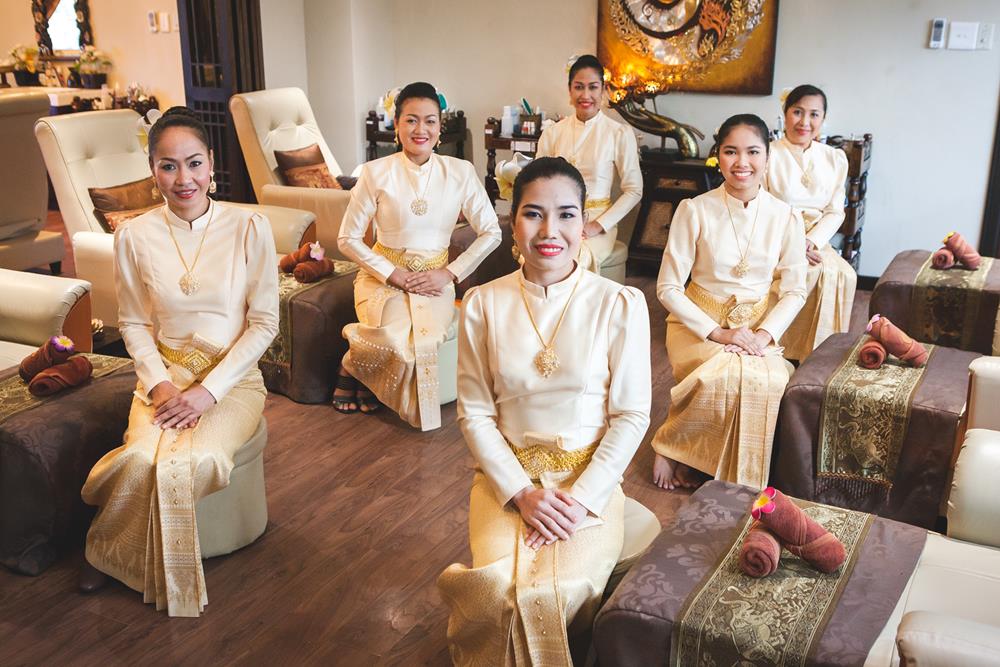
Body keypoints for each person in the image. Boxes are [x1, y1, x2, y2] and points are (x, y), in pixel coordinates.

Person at [438, 157, 651, 664]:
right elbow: (474, 413)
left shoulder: (618, 303)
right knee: (495, 591)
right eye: (533, 214)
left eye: (566, 215)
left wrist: (582, 498)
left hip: (587, 484)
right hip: (505, 482)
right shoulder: (482, 303)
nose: (549, 231)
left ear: (585, 222)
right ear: (513, 223)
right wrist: (521, 493)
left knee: (554, 593)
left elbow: (631, 415)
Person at [79, 107, 279, 617]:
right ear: (153, 171)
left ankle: (106, 548)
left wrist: (208, 392)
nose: (183, 179)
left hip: (233, 382)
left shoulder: (249, 226)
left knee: (200, 460)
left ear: (211, 163)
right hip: (164, 378)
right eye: (168, 166)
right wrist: (160, 386)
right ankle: (110, 549)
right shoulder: (133, 235)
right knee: (142, 457)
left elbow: (264, 324)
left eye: (193, 163)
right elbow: (132, 323)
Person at [650, 114, 807, 491]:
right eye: (731, 152)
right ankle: (672, 445)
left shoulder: (786, 216)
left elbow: (794, 290)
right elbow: (668, 287)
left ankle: (726, 473)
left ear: (767, 157)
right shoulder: (694, 209)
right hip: (697, 326)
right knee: (720, 374)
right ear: (717, 156)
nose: (742, 162)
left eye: (753, 152)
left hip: (754, 330)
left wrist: (764, 336)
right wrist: (718, 333)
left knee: (772, 379)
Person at [336, 81, 501, 430]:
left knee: (423, 343)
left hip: (434, 281)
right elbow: (347, 238)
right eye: (411, 120)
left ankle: (356, 369)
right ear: (396, 125)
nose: (420, 129)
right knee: (394, 339)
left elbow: (492, 232)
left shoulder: (460, 172)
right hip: (382, 278)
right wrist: (391, 274)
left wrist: (449, 273)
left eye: (429, 121)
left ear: (440, 128)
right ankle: (355, 367)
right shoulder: (375, 173)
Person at [766, 84, 854, 362]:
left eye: (814, 114)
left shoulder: (834, 158)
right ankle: (781, 351)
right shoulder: (767, 153)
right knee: (806, 273)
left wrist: (811, 241)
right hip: (776, 237)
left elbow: (835, 211)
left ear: (823, 119)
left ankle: (818, 357)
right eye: (797, 112)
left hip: (815, 239)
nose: (805, 122)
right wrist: (793, 243)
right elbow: (763, 206)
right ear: (785, 113)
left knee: (843, 275)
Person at [535, 54, 642, 274]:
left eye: (593, 87)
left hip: (597, 222)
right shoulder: (553, 132)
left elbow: (634, 190)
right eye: (578, 87)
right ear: (569, 91)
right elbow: (537, 183)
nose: (585, 95)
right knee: (536, 258)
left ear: (603, 90)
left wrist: (597, 226)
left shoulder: (618, 133)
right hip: (556, 219)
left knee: (573, 260)